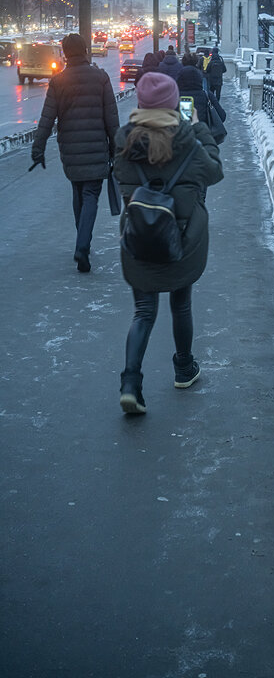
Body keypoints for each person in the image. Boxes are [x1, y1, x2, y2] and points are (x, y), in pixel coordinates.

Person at [113, 72, 224, 414]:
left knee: (144, 311)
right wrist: (198, 129)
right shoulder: (189, 140)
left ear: (141, 103)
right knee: (181, 304)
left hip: (140, 238)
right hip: (184, 238)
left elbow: (120, 179)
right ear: (174, 103)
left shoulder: (125, 142)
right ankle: (183, 368)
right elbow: (215, 172)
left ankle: (131, 383)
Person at [30, 33, 119, 273]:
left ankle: (82, 242)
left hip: (70, 149)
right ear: (85, 50)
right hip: (96, 147)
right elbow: (112, 119)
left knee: (78, 191)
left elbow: (47, 119)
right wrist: (116, 149)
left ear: (66, 53)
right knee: (91, 194)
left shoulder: (58, 81)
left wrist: (38, 149)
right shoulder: (101, 78)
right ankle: (82, 246)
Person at [178, 52, 226, 126]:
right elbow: (222, 116)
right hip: (201, 133)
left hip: (180, 135)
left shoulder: (174, 97)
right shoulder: (206, 95)